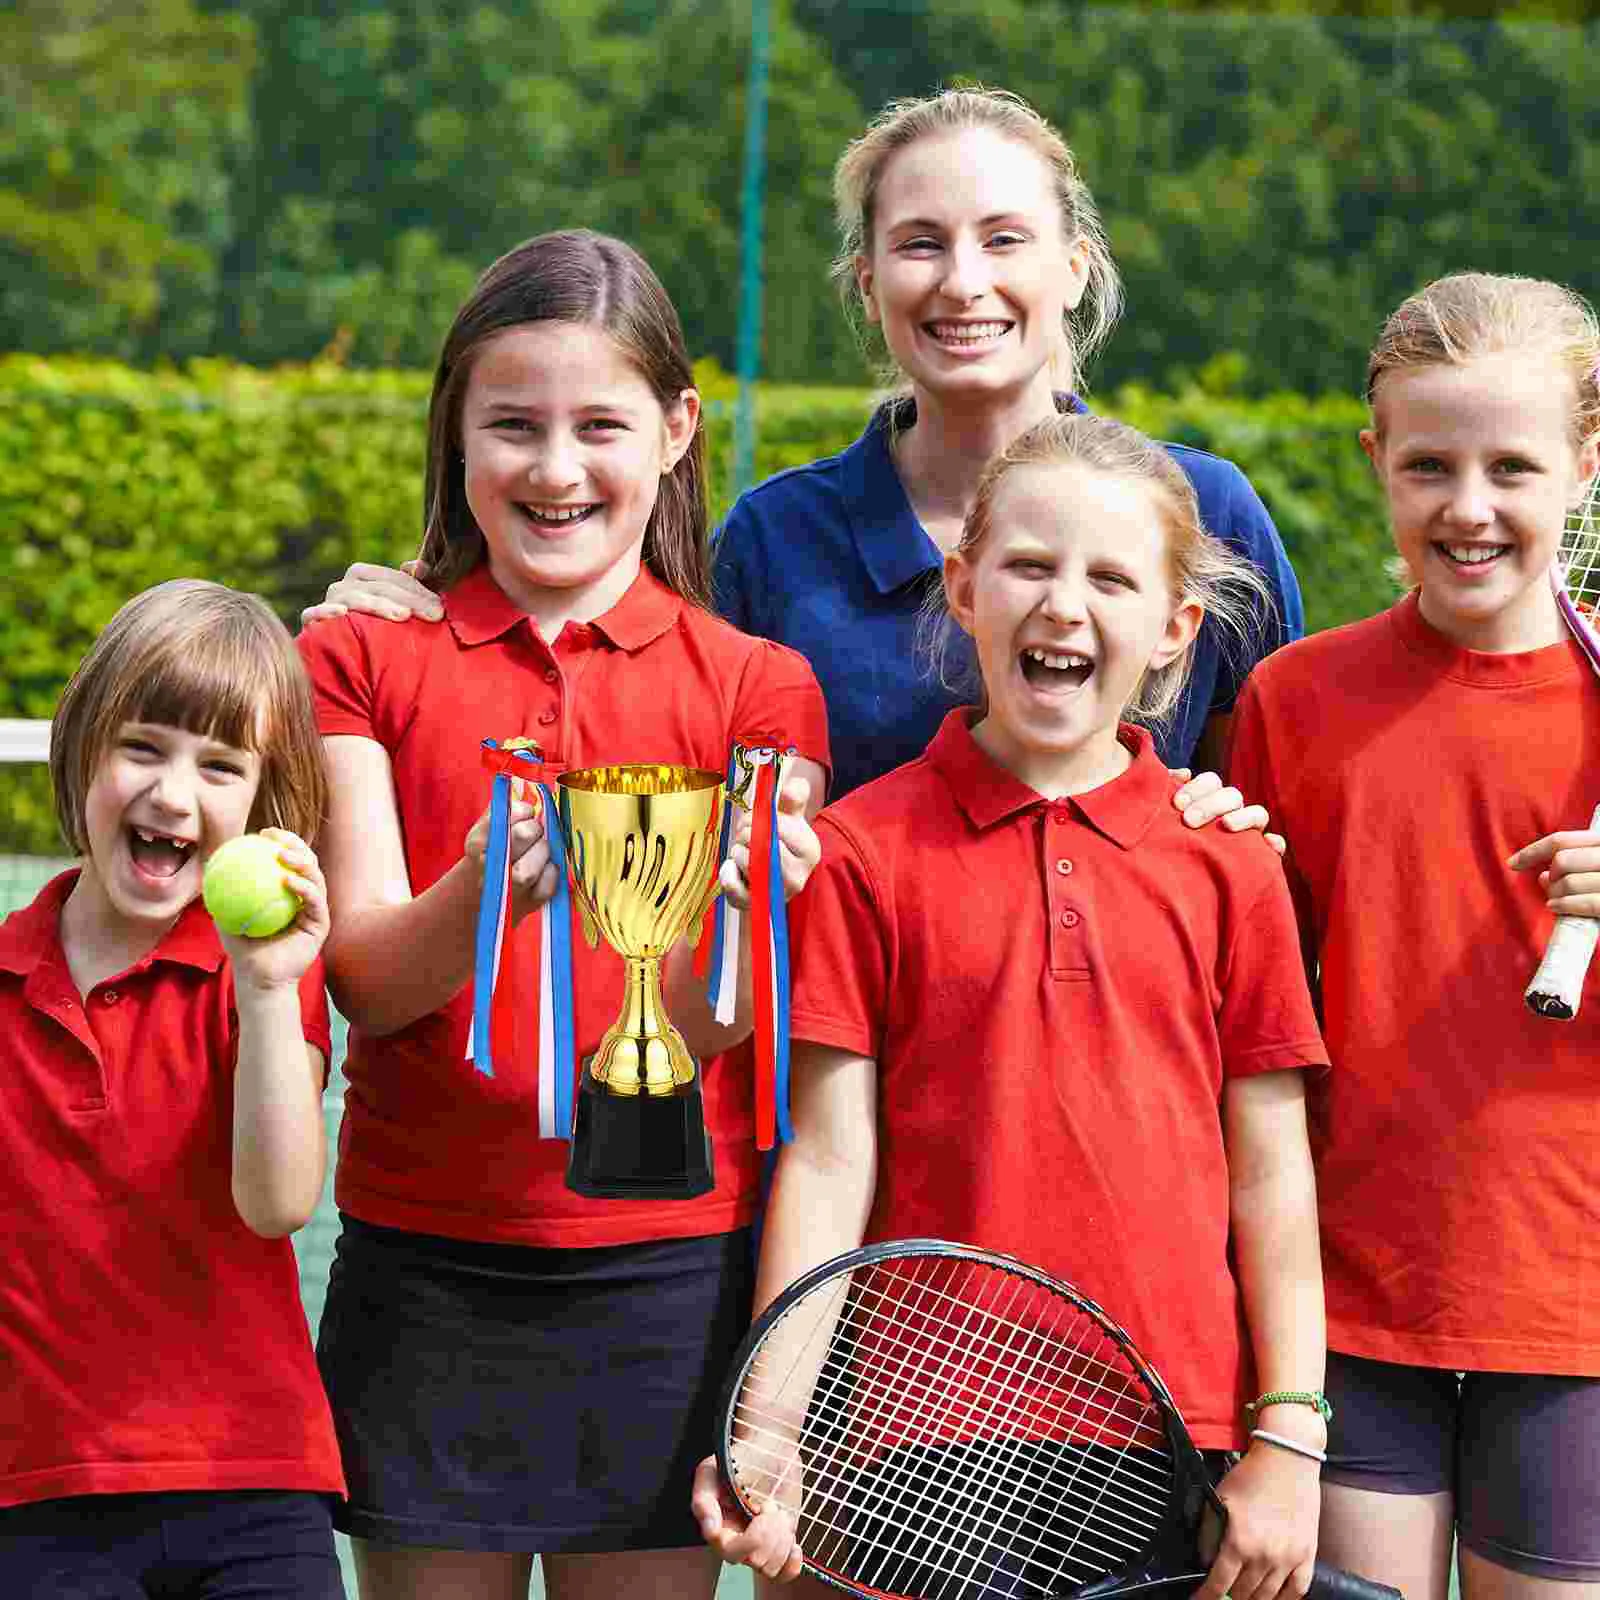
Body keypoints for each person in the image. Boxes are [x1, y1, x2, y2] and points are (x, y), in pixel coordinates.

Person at [693, 412, 1331, 1600]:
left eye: (1110, 578)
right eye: (1029, 566)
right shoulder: (859, 853)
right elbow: (829, 1168)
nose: (1064, 605)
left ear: (1175, 629)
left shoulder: (1231, 866)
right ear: (964, 586)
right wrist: (771, 1430)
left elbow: (1271, 1176)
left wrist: (1288, 1434)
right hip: (913, 1446)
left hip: (1169, 1442)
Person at [304, 86, 1291, 834]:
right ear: (867, 284)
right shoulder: (775, 541)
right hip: (839, 1071)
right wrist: (411, 613)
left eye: (1002, 239)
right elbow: (610, 678)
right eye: (919, 244)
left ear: (1072, 266)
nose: (962, 281)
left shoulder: (1206, 509)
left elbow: (1261, 806)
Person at [295, 229, 830, 1600]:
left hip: (666, 1276)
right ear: (455, 435)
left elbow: (719, 1027)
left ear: (675, 433)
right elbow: (366, 979)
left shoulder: (761, 687)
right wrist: (482, 893)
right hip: (423, 1275)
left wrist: (752, 920)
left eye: (599, 424)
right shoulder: (353, 655)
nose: (554, 468)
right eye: (511, 426)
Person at [1226, 272, 1600, 1600]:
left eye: (1514, 466)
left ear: (1585, 465)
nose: (1471, 506)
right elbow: (1255, 1002)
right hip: (1345, 1305)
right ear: (1376, 457)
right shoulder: (1295, 698)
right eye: (1431, 464)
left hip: (1571, 1317)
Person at [0, 579, 344, 1598]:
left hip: (254, 1489)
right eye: (142, 747)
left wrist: (271, 983)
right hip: (35, 1499)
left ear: (263, 805)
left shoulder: (270, 978)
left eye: (220, 766)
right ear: (79, 748)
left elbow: (278, 1202)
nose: (172, 795)